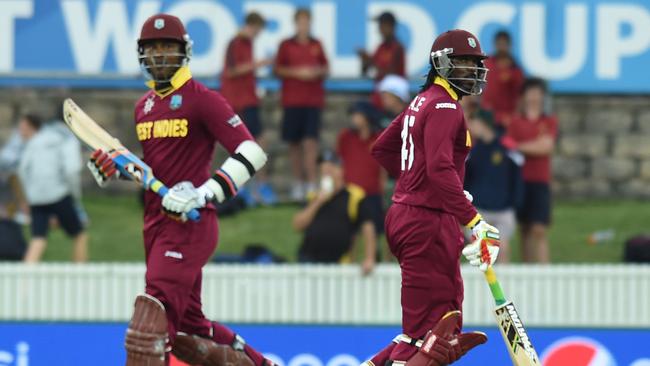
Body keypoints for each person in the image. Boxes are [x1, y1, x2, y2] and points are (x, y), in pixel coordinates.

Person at [86, 14, 273, 365]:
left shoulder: (203, 98)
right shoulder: (143, 107)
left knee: (150, 330)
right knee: (191, 327)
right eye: (152, 48)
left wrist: (204, 193)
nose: (159, 55)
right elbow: (154, 172)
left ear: (184, 51)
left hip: (190, 224)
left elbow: (252, 152)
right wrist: (118, 170)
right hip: (155, 225)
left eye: (167, 47)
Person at [366, 29, 500, 364]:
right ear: (441, 64)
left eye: (474, 63)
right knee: (437, 334)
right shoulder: (444, 106)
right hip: (428, 222)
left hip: (406, 216)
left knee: (418, 333)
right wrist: (474, 220)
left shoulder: (420, 101)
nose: (470, 69)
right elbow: (439, 169)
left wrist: (418, 181)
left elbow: (382, 149)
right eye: (462, 62)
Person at [220, 12, 277, 206]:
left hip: (248, 100)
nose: (258, 34)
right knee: (247, 145)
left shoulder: (247, 44)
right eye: (257, 29)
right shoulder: (235, 43)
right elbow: (232, 70)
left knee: (256, 144)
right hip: (237, 102)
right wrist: (257, 64)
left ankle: (255, 187)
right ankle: (247, 188)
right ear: (250, 25)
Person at [274, 8, 329, 201]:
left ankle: (312, 183)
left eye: (307, 22)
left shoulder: (317, 44)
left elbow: (326, 68)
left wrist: (316, 72)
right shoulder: (286, 45)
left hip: (312, 101)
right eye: (301, 22)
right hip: (292, 101)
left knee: (311, 143)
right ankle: (298, 183)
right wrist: (298, 73)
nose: (304, 25)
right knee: (294, 144)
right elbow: (277, 69)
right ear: (296, 23)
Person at [17, 114, 88, 263]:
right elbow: (72, 169)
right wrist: (75, 196)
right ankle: (81, 279)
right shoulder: (68, 138)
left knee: (38, 238)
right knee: (79, 234)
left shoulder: (37, 138)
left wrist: (28, 196)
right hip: (59, 194)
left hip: (36, 197)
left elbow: (22, 170)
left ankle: (23, 282)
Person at [294, 151, 376, 275]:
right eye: (324, 172)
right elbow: (297, 225)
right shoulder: (313, 196)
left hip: (340, 263)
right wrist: (318, 202)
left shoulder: (354, 196)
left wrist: (369, 258)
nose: (327, 174)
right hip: (309, 260)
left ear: (341, 171)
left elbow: (368, 227)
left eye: (331, 170)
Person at [504, 77, 557, 263]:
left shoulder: (548, 121)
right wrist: (531, 145)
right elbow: (508, 146)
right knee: (524, 229)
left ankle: (544, 272)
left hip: (540, 180)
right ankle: (528, 272)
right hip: (520, 180)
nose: (534, 97)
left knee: (539, 229)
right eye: (531, 92)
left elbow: (546, 147)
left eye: (538, 93)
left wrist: (519, 146)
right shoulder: (516, 122)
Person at [464, 107, 523, 263]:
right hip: (479, 211)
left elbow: (517, 177)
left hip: (503, 210)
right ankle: (480, 285)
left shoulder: (506, 148)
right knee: (479, 251)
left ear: (483, 123)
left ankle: (504, 285)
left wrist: (516, 202)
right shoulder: (472, 151)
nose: (469, 126)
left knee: (502, 248)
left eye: (473, 122)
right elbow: (464, 179)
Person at [337, 101, 386, 251]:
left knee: (378, 232)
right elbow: (340, 161)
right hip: (351, 193)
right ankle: (349, 261)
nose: (353, 118)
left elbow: (383, 168)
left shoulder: (379, 138)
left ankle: (379, 259)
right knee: (348, 232)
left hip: (372, 193)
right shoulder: (345, 137)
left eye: (357, 115)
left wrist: (382, 190)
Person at [357, 11, 406, 108]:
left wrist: (370, 61)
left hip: (392, 101)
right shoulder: (381, 47)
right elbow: (365, 71)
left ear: (391, 26)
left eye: (382, 25)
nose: (380, 29)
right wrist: (364, 60)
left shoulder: (397, 48)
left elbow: (392, 74)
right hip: (378, 99)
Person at [480, 30, 524, 127]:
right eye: (499, 44)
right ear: (495, 45)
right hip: (486, 115)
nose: (502, 47)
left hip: (506, 120)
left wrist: (514, 117)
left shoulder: (515, 70)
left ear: (509, 46)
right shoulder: (487, 63)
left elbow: (520, 96)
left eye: (504, 44)